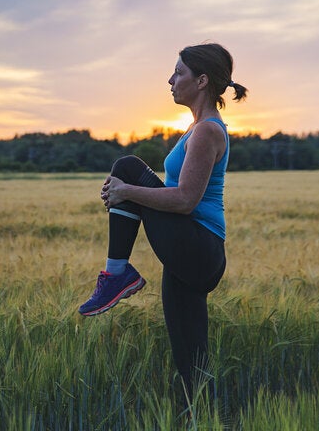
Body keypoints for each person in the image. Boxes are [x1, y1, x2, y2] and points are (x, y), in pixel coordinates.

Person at [77, 42, 247, 401]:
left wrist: (127, 192)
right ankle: (203, 420)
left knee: (127, 169)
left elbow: (185, 200)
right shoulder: (198, 128)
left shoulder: (207, 132)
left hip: (197, 245)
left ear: (201, 81)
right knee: (190, 360)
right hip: (190, 251)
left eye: (178, 72)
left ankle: (117, 273)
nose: (170, 80)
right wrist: (127, 194)